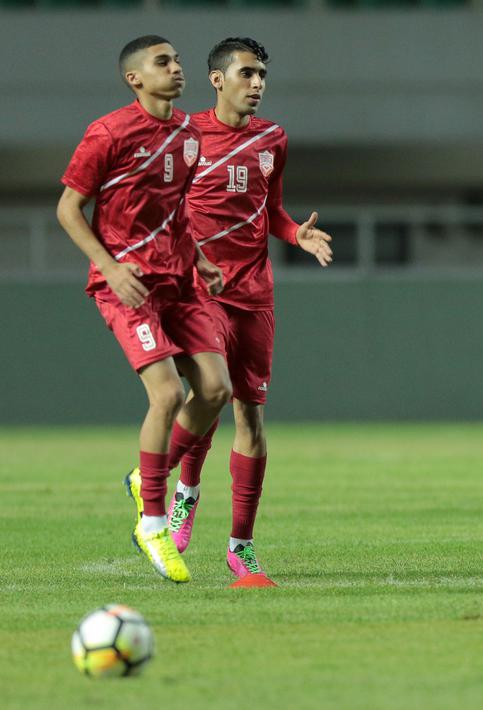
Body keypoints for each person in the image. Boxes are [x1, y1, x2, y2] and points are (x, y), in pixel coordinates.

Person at [56, 35, 233, 584]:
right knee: (167, 394)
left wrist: (201, 260)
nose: (177, 69)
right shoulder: (107, 132)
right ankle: (153, 521)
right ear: (134, 78)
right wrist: (109, 268)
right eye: (164, 62)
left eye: (178, 61)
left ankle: (145, 477)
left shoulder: (188, 133)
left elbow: (175, 209)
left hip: (179, 279)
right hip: (128, 285)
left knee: (216, 390)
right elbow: (68, 209)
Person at [166, 37, 333, 582]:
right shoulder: (185, 136)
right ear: (217, 80)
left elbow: (274, 209)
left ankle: (241, 546)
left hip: (255, 293)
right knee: (208, 395)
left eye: (262, 74)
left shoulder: (272, 139)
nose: (257, 83)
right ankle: (184, 494)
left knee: (250, 416)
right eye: (247, 73)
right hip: (201, 290)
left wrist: (295, 235)